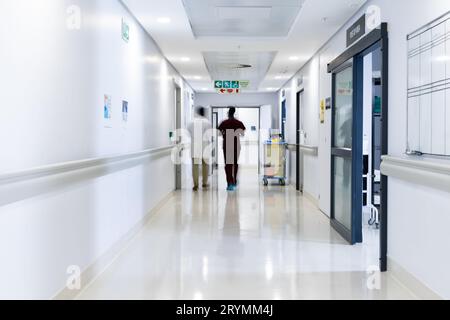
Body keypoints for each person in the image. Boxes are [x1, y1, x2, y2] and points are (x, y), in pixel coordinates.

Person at [218, 107, 246, 191]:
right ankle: (234, 181)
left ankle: (229, 183)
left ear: (228, 113)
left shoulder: (224, 123)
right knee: (234, 163)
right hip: (236, 144)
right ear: (234, 113)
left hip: (227, 144)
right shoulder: (238, 123)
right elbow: (243, 133)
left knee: (228, 165)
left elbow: (219, 133)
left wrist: (225, 133)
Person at [188, 106, 212, 191]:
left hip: (195, 147)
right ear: (204, 113)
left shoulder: (191, 122)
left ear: (197, 112)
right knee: (205, 165)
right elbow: (209, 135)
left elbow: (189, 134)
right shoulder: (207, 122)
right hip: (205, 146)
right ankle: (204, 183)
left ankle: (195, 185)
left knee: (195, 166)